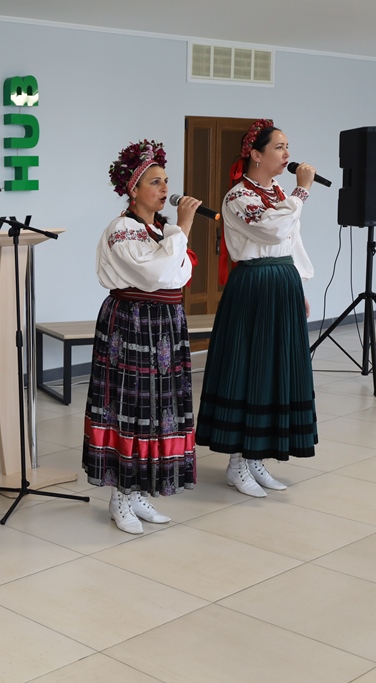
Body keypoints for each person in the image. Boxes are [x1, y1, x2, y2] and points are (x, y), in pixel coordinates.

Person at [83, 140, 200, 535]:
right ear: (133, 190)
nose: (165, 188)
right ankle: (120, 495)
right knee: (128, 406)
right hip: (133, 321)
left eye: (166, 180)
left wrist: (175, 236)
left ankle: (136, 491)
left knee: (156, 408)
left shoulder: (160, 229)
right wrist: (183, 227)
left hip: (165, 322)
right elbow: (156, 274)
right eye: (155, 182)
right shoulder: (122, 229)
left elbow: (179, 274)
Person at [196, 119, 318, 495]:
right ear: (256, 154)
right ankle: (237, 462)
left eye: (286, 146)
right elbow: (272, 229)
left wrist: (299, 284)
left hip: (282, 282)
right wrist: (301, 192)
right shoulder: (237, 197)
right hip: (255, 285)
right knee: (250, 366)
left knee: (274, 368)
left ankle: (256, 458)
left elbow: (291, 241)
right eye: (279, 147)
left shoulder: (278, 192)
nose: (287, 154)